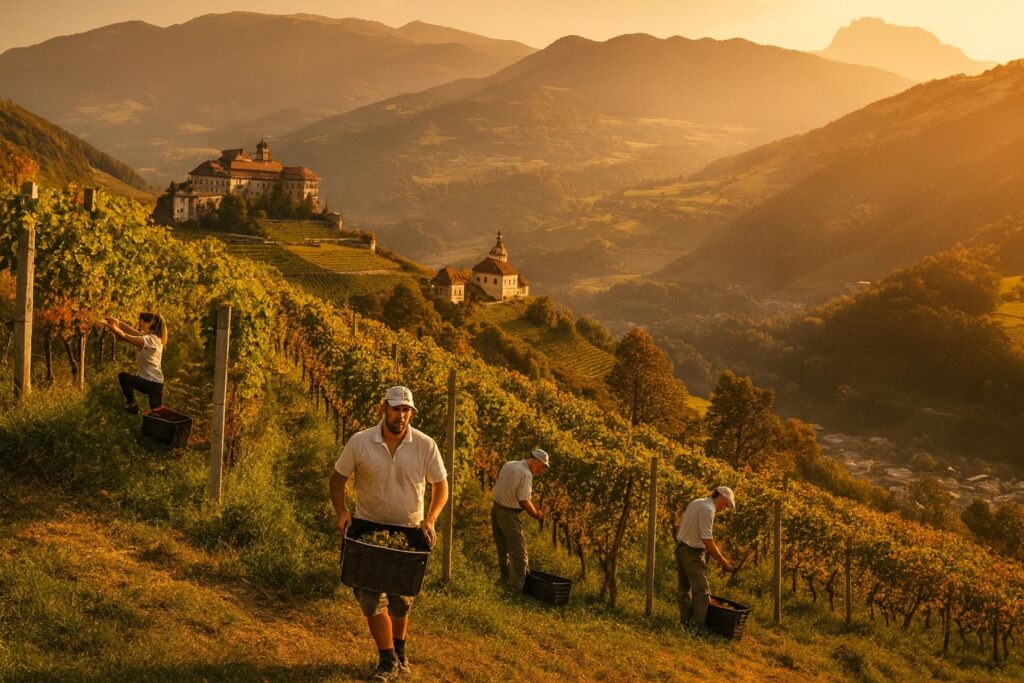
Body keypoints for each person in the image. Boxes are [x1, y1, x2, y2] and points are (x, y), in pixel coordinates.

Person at [329, 386, 449, 682]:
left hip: (409, 532)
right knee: (370, 599)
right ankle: (387, 660)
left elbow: (441, 486)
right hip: (369, 528)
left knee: (401, 600)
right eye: (396, 408)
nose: (401, 415)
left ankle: (399, 652)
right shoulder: (361, 442)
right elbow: (337, 479)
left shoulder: (425, 445)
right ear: (384, 407)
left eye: (406, 409)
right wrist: (342, 512)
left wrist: (431, 520)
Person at [675, 486, 737, 627]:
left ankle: (685, 623)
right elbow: (707, 540)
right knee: (702, 591)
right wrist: (723, 562)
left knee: (684, 589)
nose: (724, 509)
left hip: (681, 548)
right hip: (692, 552)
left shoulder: (697, 502)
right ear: (721, 499)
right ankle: (696, 627)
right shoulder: (708, 510)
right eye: (726, 505)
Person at [491, 448, 549, 593]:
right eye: (541, 466)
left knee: (503, 550)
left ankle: (504, 581)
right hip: (509, 514)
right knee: (519, 554)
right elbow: (523, 501)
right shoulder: (526, 474)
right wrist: (537, 514)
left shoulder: (509, 464)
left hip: (496, 510)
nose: (540, 471)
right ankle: (514, 590)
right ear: (536, 460)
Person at [105, 312, 167, 414]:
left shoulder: (149, 340)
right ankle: (134, 407)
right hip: (155, 383)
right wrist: (117, 322)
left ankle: (132, 404)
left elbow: (125, 336)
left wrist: (114, 328)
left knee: (123, 377)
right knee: (157, 413)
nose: (140, 323)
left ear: (150, 323)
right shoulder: (154, 339)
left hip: (149, 382)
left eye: (142, 321)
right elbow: (130, 330)